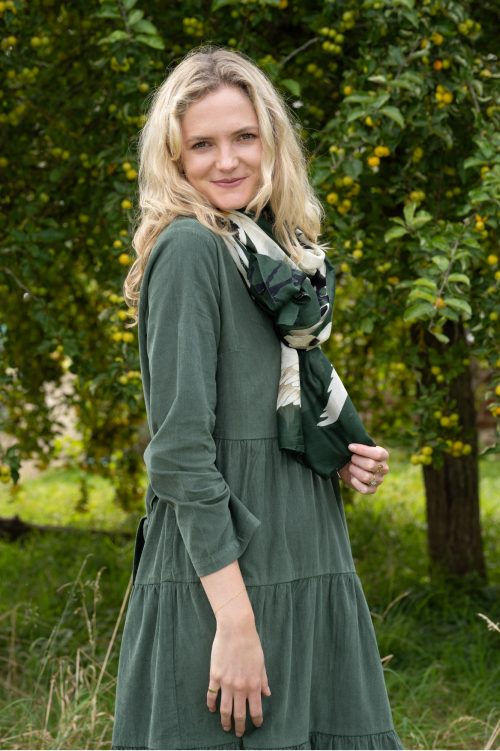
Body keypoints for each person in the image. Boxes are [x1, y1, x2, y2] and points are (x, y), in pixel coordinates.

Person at [111, 46, 404, 751]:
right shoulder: (190, 250)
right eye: (202, 144)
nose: (227, 161)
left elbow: (267, 403)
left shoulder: (278, 256)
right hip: (228, 583)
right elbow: (180, 453)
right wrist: (235, 623)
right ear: (174, 158)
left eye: (244, 136)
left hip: (305, 555)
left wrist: (332, 452)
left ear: (271, 139)